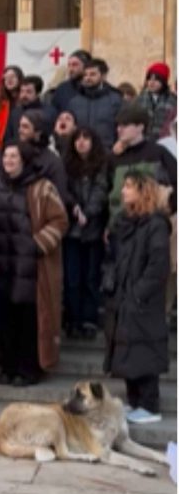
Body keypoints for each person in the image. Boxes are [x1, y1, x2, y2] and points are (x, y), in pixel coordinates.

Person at [0, 144, 68, 387]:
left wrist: (37, 244)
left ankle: (29, 369)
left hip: (32, 269)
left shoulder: (42, 187)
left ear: (24, 160)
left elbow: (60, 220)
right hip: (2, 267)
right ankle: (7, 367)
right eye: (6, 156)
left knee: (28, 322)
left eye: (13, 156)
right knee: (5, 320)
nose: (8, 160)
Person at [104, 171, 171, 425]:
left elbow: (157, 265)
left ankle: (149, 404)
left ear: (143, 191)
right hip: (124, 296)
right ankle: (135, 402)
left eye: (129, 187)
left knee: (144, 349)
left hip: (142, 301)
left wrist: (137, 294)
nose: (123, 191)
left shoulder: (155, 225)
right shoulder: (126, 222)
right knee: (127, 351)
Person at [62, 127, 109, 341]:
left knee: (91, 276)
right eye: (78, 138)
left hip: (93, 229)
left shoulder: (101, 164)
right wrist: (74, 208)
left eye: (86, 138)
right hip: (71, 229)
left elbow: (101, 191)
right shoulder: (67, 165)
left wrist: (88, 213)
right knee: (73, 277)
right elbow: (64, 190)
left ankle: (89, 319)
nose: (81, 142)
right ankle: (73, 318)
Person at [66, 59, 125, 149]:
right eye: (85, 75)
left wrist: (121, 143)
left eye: (92, 74)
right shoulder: (74, 102)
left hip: (107, 151)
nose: (87, 78)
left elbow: (124, 125)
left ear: (103, 76)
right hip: (80, 154)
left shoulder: (115, 100)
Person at [134, 62, 176, 140]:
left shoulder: (173, 100)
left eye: (156, 79)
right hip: (143, 143)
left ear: (163, 81)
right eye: (149, 78)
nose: (152, 82)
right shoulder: (139, 99)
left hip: (164, 142)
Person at [3, 76, 45, 148]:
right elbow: (8, 137)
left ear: (38, 94)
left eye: (28, 92)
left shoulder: (46, 112)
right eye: (22, 91)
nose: (24, 95)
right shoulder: (15, 112)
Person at [0, 66, 24, 149]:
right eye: (6, 78)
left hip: (21, 145)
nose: (9, 80)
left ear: (19, 79)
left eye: (12, 77)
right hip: (0, 146)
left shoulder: (25, 99)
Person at [51, 49, 91, 114]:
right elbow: (53, 112)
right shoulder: (62, 89)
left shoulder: (96, 88)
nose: (71, 69)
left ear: (86, 66)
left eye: (75, 65)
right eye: (69, 65)